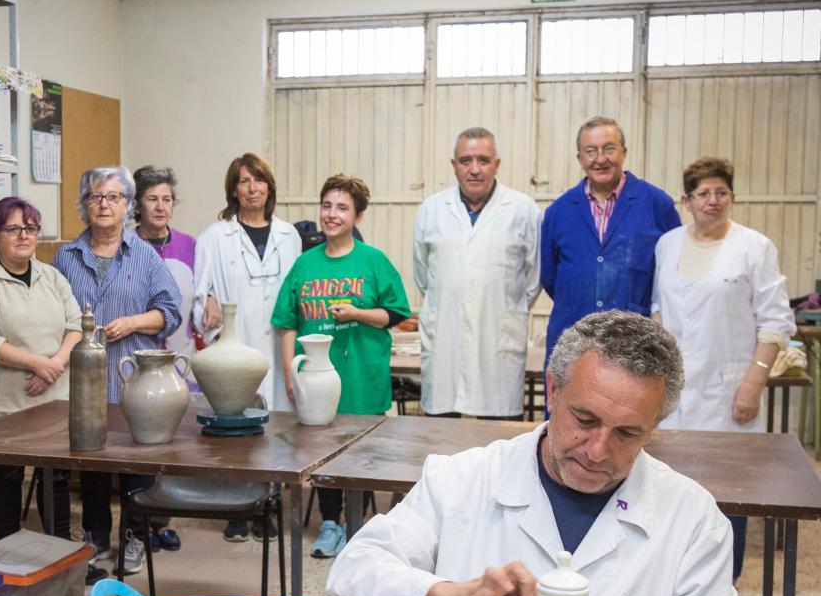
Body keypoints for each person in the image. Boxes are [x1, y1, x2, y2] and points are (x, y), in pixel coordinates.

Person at [326, 311, 744, 596]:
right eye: (585, 420)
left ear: (653, 428)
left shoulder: (692, 517)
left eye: (627, 433)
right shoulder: (461, 479)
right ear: (553, 390)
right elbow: (351, 576)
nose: (598, 451)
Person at [653, 156, 796, 581]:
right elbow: (659, 308)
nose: (712, 201)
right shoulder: (668, 244)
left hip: (731, 393)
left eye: (721, 193)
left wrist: (753, 384)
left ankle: (724, 581)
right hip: (676, 392)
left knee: (728, 492)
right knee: (673, 490)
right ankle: (674, 581)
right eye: (703, 194)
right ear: (686, 200)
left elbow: (775, 322)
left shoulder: (754, 246)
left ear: (731, 197)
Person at [271, 175, 410, 558]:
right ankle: (330, 523)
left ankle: (356, 526)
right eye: (327, 206)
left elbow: (393, 314)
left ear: (358, 215)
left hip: (362, 373)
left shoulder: (373, 261)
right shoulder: (305, 264)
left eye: (342, 207)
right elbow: (286, 324)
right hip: (315, 378)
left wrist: (357, 313)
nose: (332, 215)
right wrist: (289, 372)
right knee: (321, 450)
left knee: (361, 455)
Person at [52, 166, 181, 576]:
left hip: (132, 380)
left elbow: (171, 313)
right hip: (84, 383)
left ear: (128, 206)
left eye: (113, 197)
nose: (104, 204)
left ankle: (135, 538)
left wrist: (133, 322)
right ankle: (96, 540)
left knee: (134, 466)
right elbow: (52, 313)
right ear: (84, 205)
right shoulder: (66, 257)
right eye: (95, 196)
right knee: (91, 466)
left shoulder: (145, 256)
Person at [192, 153, 303, 544]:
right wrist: (205, 302)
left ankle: (269, 505)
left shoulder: (290, 236)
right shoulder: (214, 236)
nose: (252, 188)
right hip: (235, 345)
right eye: (243, 181)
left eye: (258, 180)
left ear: (269, 187)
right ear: (233, 190)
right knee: (238, 430)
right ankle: (237, 510)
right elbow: (200, 290)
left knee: (277, 429)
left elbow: (298, 293)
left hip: (278, 345)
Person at [0, 197, 81, 541]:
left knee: (56, 479)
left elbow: (76, 325)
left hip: (55, 397)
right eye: (13, 229)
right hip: (4, 403)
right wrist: (38, 364)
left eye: (30, 228)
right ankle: (7, 553)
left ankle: (62, 552)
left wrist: (55, 365)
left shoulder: (52, 276)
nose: (23, 236)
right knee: (5, 479)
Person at [413, 127, 541, 418]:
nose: (474, 170)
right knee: (441, 441)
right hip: (446, 343)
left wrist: (502, 308)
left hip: (498, 348)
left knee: (499, 443)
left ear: (497, 164)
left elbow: (533, 280)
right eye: (465, 160)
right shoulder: (431, 210)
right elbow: (424, 278)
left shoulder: (523, 210)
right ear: (453, 165)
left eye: (483, 160)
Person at [540, 116, 681, 363]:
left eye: (609, 149)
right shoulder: (558, 212)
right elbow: (550, 278)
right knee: (571, 401)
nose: (601, 159)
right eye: (591, 151)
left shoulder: (657, 205)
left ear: (623, 152)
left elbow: (673, 272)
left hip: (635, 343)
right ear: (580, 159)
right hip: (573, 339)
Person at [132, 165, 193, 553]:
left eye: (167, 199)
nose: (160, 206)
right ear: (137, 204)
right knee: (139, 447)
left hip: (179, 358)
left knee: (172, 446)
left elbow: (202, 295)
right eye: (152, 198)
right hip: (136, 361)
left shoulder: (190, 245)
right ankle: (138, 526)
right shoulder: (126, 245)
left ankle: (161, 521)